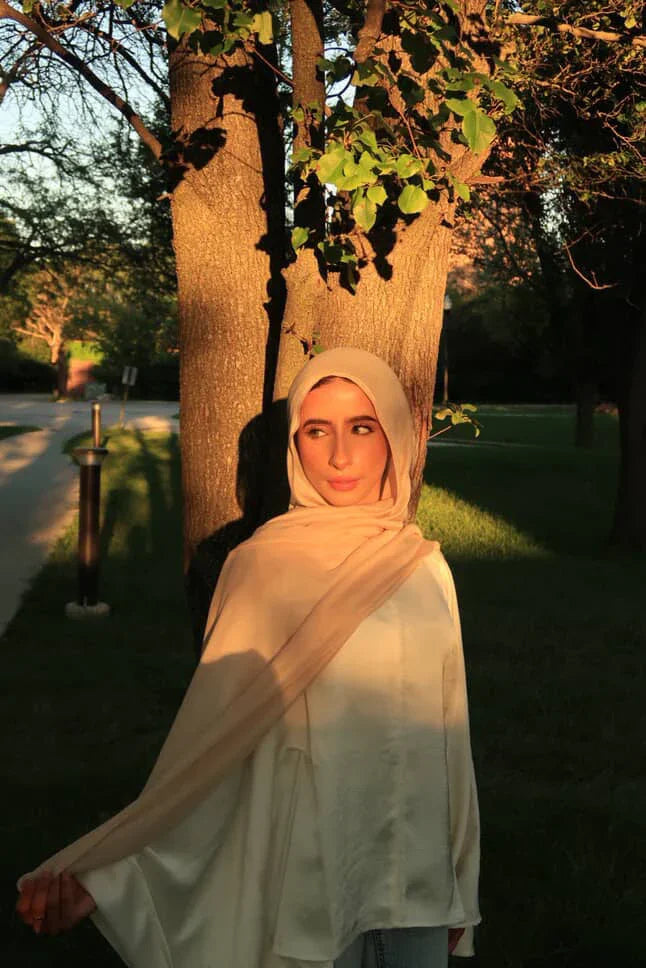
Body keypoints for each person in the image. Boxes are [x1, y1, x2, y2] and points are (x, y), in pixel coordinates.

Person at [16, 347, 480, 968]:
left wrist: (460, 888)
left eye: (361, 428)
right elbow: (209, 752)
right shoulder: (260, 568)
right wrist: (107, 875)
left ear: (395, 436)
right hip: (309, 887)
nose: (340, 456)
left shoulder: (424, 566)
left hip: (414, 887)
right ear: (295, 445)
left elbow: (450, 740)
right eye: (317, 431)